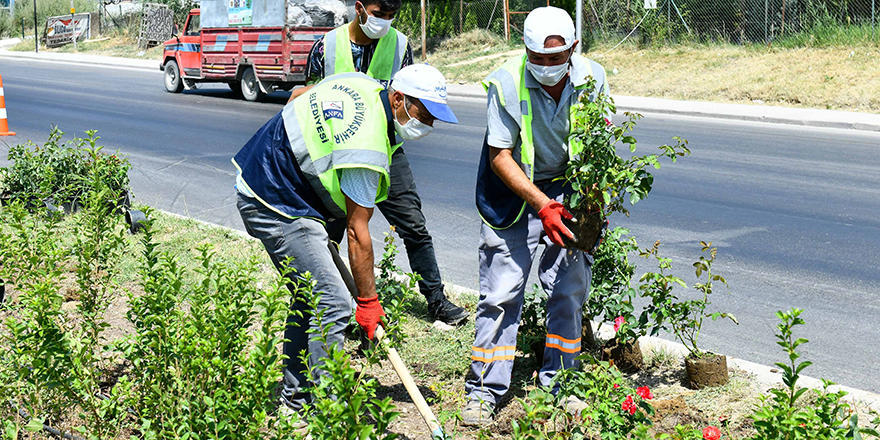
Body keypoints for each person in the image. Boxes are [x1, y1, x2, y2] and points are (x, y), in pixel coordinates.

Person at [233, 65, 458, 413]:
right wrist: (368, 302)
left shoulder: (362, 84)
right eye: (424, 114)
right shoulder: (365, 148)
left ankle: (296, 401)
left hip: (274, 184)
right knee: (334, 302)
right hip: (275, 202)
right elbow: (356, 230)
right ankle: (331, 412)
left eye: (434, 119)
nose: (428, 126)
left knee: (310, 298)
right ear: (398, 98)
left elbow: (298, 96)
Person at [462, 7, 610, 426]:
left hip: (568, 189)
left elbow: (599, 143)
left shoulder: (592, 77)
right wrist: (541, 205)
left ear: (574, 48)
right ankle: (483, 391)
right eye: (537, 58)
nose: (546, 66)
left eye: (556, 57)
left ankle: (562, 384)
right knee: (502, 291)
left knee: (569, 286)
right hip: (513, 191)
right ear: (524, 49)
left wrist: (590, 207)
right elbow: (500, 156)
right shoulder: (506, 81)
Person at [287, 0, 469, 326]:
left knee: (414, 225)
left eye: (390, 16)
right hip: (338, 155)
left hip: (386, 148)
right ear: (360, 7)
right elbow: (308, 96)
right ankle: (318, 307)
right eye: (378, 14)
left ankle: (437, 301)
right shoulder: (326, 47)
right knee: (329, 232)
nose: (384, 22)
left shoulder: (399, 45)